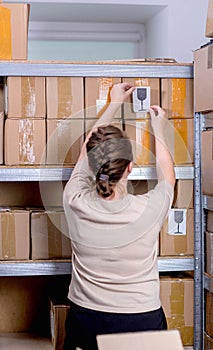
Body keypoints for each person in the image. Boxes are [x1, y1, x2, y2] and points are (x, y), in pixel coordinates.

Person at [63, 82, 175, 350]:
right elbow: (168, 176)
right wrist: (158, 128)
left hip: (87, 319)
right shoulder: (150, 208)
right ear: (131, 168)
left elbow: (86, 149)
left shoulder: (74, 199)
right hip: (141, 319)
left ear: (91, 165)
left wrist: (113, 103)